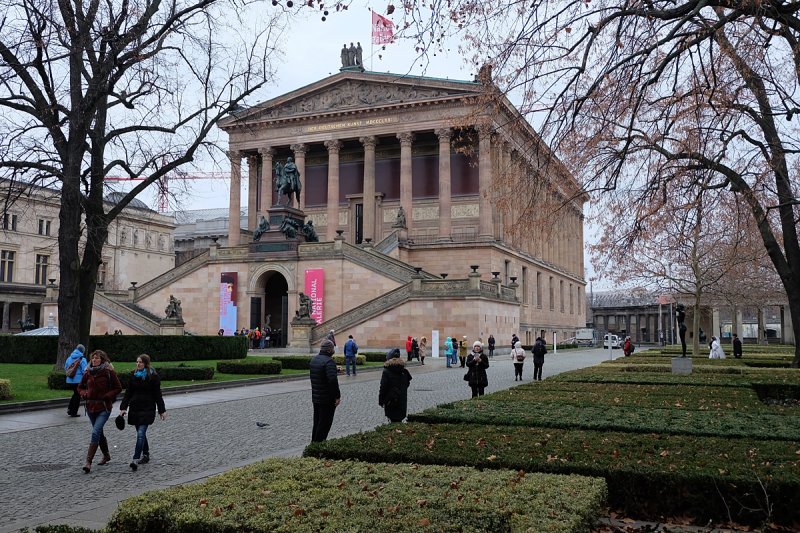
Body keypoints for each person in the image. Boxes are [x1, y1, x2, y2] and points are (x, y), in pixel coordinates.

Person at [77, 350, 122, 473]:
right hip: (90, 407)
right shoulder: (88, 372)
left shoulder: (108, 372)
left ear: (102, 359)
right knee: (99, 432)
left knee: (95, 432)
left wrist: (108, 395)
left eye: (97, 358)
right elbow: (80, 387)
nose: (94, 360)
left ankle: (88, 462)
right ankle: (106, 455)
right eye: (93, 358)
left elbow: (118, 388)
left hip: (104, 407)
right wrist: (84, 393)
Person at [119, 355, 166, 471]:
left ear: (146, 363)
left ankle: (135, 459)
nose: (138, 364)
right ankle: (146, 454)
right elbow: (128, 393)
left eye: (140, 362)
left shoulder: (153, 377)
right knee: (141, 433)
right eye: (137, 362)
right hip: (135, 408)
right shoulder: (133, 376)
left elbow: (158, 395)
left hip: (147, 409)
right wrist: (123, 407)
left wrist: (162, 410)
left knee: (140, 433)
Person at [309, 339, 341, 442]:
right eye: (332, 348)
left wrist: (335, 370)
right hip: (327, 399)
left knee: (317, 422)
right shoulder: (329, 361)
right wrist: (337, 396)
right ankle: (319, 445)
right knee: (324, 424)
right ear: (329, 350)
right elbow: (332, 381)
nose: (333, 350)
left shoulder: (314, 360)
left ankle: (314, 444)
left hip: (316, 397)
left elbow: (321, 373)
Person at [378, 348, 412, 422]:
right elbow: (407, 383)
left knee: (393, 421)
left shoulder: (387, 371)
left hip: (390, 401)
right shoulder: (403, 370)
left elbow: (383, 387)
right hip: (402, 401)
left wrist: (381, 401)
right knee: (398, 421)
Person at [65, 344, 88, 417]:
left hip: (69, 380)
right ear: (82, 351)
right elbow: (84, 371)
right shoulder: (82, 359)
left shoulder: (69, 358)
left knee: (75, 394)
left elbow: (66, 368)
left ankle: (70, 409)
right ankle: (73, 412)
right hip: (78, 381)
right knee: (77, 395)